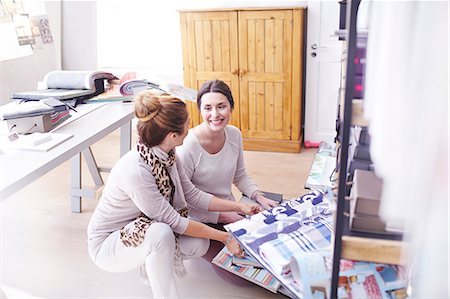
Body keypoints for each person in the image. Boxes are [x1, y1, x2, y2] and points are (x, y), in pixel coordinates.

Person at [87, 91, 261, 299]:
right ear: (173, 136)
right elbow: (175, 222)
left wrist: (240, 207)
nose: (191, 127)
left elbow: (193, 195)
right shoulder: (136, 171)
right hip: (109, 244)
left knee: (199, 243)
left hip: (140, 227)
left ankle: (149, 265)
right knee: (161, 233)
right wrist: (225, 237)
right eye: (187, 123)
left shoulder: (168, 155)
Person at [177, 79, 279, 226]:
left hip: (231, 210)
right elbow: (182, 199)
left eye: (221, 106)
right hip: (199, 220)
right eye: (207, 108)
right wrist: (221, 217)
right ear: (200, 110)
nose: (215, 114)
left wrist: (259, 196)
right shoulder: (188, 145)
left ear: (231, 107)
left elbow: (240, 176)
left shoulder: (234, 134)